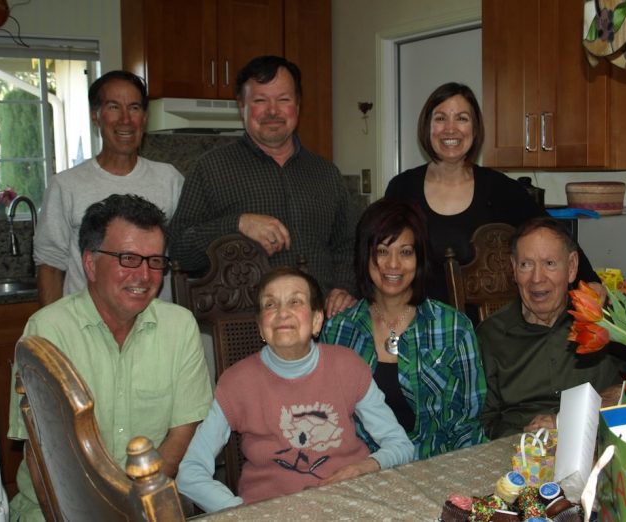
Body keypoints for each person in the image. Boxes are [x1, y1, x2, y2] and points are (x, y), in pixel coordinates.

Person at [7, 194, 212, 521]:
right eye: (129, 258)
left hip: (144, 505)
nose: (144, 276)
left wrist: (137, 505)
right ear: (90, 263)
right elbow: (41, 457)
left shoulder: (179, 327)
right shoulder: (47, 331)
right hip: (57, 510)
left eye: (155, 260)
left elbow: (182, 432)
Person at [176, 266, 412, 512]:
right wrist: (244, 513)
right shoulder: (236, 383)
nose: (282, 313)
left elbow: (400, 444)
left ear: (317, 320)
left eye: (295, 302)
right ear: (260, 327)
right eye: (270, 305)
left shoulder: (348, 365)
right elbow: (190, 473)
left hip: (351, 504)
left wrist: (366, 466)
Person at [384, 82, 600, 323]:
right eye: (440, 118)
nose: (450, 129)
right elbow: (375, 252)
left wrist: (591, 283)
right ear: (427, 127)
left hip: (487, 338)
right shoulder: (401, 188)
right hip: (415, 329)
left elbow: (552, 235)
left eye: (462, 119)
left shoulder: (501, 189)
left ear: (475, 130)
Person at [168, 55, 356, 317]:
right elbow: (179, 249)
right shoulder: (210, 169)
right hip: (245, 331)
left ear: (298, 105)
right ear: (241, 105)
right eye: (260, 100)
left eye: (283, 99)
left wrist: (343, 287)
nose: (272, 111)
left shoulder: (326, 173)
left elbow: (347, 246)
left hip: (321, 327)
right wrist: (237, 224)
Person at [321, 198, 486, 460]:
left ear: (420, 258)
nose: (393, 264)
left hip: (436, 466)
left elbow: (467, 422)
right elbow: (330, 420)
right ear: (366, 255)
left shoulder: (454, 328)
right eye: (382, 251)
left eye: (406, 252)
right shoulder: (339, 331)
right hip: (362, 472)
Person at [34, 70, 183, 306]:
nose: (125, 119)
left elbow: (183, 257)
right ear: (96, 116)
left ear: (144, 118)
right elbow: (50, 265)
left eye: (134, 108)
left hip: (153, 328)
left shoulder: (169, 179)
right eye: (114, 107)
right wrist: (52, 333)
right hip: (85, 328)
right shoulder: (65, 185)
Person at [477, 217, 626, 439]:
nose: (537, 279)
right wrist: (527, 437)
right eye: (526, 265)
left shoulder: (602, 322)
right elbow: (484, 422)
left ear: (571, 267)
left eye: (550, 264)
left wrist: (575, 416)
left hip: (594, 443)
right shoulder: (491, 335)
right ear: (513, 268)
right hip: (521, 452)